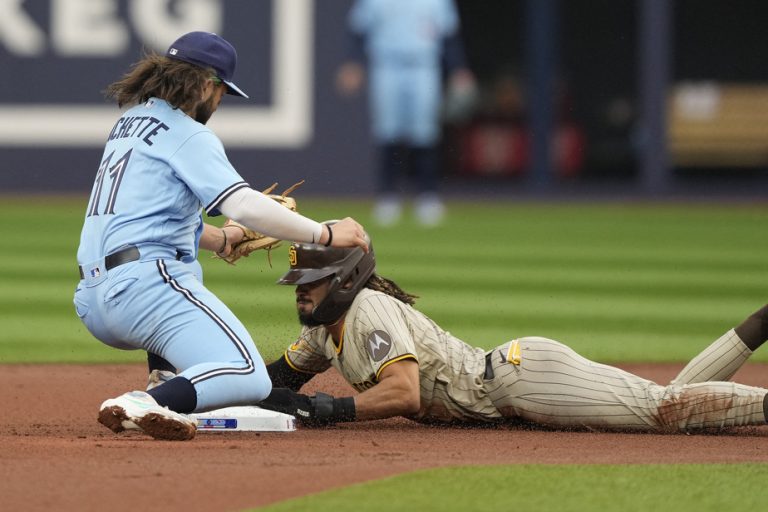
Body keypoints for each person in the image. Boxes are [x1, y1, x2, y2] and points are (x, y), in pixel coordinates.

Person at [73, 31, 368, 441]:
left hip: (93, 299)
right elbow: (244, 206)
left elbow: (150, 218)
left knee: (182, 266)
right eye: (223, 92)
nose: (219, 103)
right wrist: (325, 232)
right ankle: (153, 400)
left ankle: (165, 377)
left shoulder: (128, 123)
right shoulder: (188, 133)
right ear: (207, 85)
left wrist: (222, 239)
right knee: (249, 375)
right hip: (143, 291)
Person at [259, 231, 768, 432]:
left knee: (665, 411)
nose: (300, 292)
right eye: (298, 283)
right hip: (509, 388)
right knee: (673, 404)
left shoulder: (368, 309)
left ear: (344, 280)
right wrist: (204, 389)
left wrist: (336, 408)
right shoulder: (324, 331)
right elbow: (275, 382)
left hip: (521, 379)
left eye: (312, 282)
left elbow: (405, 392)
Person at [336, 0, 476, 227]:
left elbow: (449, 36)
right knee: (387, 131)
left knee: (426, 133)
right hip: (387, 64)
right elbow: (358, 30)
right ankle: (387, 197)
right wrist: (352, 62)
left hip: (424, 64)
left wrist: (458, 68)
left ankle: (428, 196)